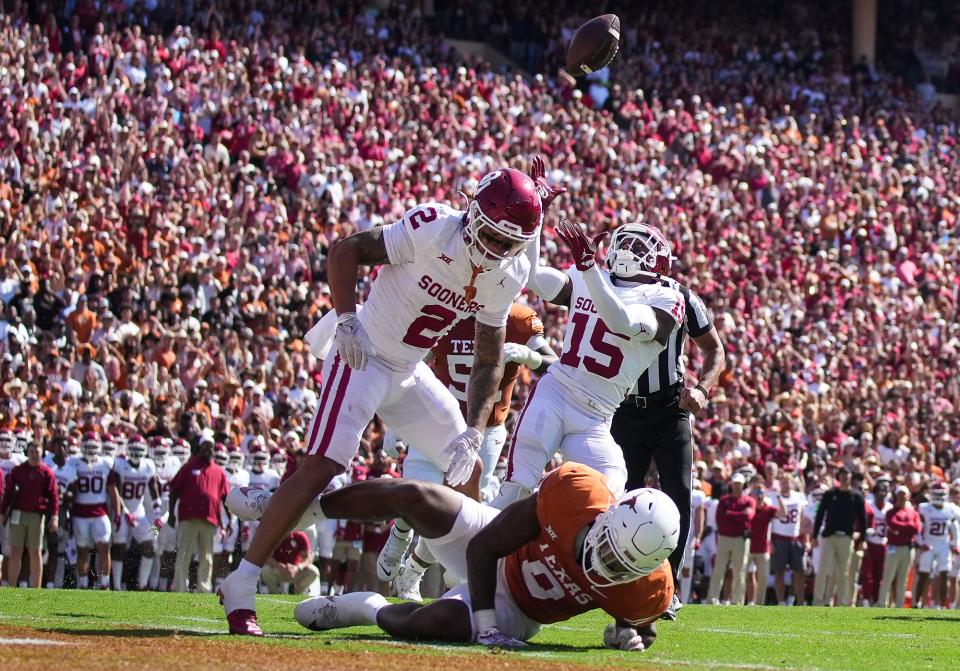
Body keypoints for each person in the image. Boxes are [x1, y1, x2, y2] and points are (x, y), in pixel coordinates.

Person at [218, 165, 556, 635]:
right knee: (323, 464)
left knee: (469, 463)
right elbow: (346, 251)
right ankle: (242, 580)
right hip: (364, 352)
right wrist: (346, 319)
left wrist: (475, 429)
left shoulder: (510, 271)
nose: (498, 249)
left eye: (508, 241)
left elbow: (487, 362)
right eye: (493, 236)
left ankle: (476, 584)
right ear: (473, 213)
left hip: (409, 368)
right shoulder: (433, 227)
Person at [230, 462, 678, 648]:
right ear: (606, 517)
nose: (609, 566)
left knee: (437, 625)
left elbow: (638, 622)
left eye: (623, 567)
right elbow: (485, 547)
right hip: (498, 549)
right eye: (610, 551)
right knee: (414, 495)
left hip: (521, 606)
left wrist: (622, 633)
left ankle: (366, 608)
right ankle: (291, 510)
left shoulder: (648, 588)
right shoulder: (574, 493)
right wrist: (484, 628)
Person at [494, 220, 685, 511]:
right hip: (555, 393)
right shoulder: (590, 276)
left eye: (637, 246)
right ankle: (460, 552)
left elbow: (622, 321)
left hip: (595, 416)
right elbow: (531, 275)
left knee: (611, 491)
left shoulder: (666, 298)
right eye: (624, 242)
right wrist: (535, 219)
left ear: (659, 261)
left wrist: (589, 269)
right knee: (516, 486)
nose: (626, 250)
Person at [388, 302, 558, 600]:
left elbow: (554, 364)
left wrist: (527, 355)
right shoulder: (445, 314)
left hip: (486, 430)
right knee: (424, 489)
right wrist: (394, 422)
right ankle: (400, 532)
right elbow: (407, 366)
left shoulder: (517, 319)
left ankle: (413, 569)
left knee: (457, 509)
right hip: (440, 421)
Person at [606, 224, 725, 617]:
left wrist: (704, 389)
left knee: (678, 495)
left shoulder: (679, 295)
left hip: (668, 405)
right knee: (618, 493)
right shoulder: (603, 285)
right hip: (621, 405)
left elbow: (714, 349)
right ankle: (614, 580)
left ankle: (667, 588)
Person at [168, 437, 230, 593]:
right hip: (188, 518)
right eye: (205, 447)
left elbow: (225, 497)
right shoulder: (188, 467)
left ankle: (203, 588)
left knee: (207, 557)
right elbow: (174, 490)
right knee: (183, 554)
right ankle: (181, 587)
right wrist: (171, 514)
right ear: (200, 449)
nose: (208, 450)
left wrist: (228, 519)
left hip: (210, 519)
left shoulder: (219, 472)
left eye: (211, 448)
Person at [0, 440, 59, 588]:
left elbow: (53, 497)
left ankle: (36, 588)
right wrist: (2, 512)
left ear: (41, 453)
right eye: (31, 452)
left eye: (37, 452)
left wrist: (55, 516)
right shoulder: (18, 470)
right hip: (17, 514)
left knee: (35, 551)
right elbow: (8, 494)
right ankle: (12, 587)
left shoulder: (46, 473)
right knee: (16, 551)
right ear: (27, 453)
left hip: (36, 515)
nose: (34, 455)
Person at [109, 435, 161, 590]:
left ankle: (143, 585)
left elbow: (154, 490)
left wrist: (157, 514)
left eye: (140, 450)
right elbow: (116, 491)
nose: (137, 453)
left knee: (150, 543)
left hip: (139, 513)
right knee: (119, 547)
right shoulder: (119, 464)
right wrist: (124, 512)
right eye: (134, 449)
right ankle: (117, 586)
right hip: (123, 512)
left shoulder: (148, 465)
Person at [70, 433, 121, 589]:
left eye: (94, 447)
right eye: (88, 447)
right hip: (80, 513)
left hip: (100, 512)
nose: (91, 451)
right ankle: (83, 585)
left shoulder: (105, 464)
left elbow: (113, 491)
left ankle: (104, 583)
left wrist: (117, 512)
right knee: (82, 550)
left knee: (104, 548)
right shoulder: (74, 463)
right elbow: (71, 490)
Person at [812, 468, 867, 606]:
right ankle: (818, 600)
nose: (844, 478)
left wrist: (862, 539)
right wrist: (814, 535)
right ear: (839, 477)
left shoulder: (856, 496)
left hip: (846, 537)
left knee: (844, 572)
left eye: (846, 475)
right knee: (823, 569)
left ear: (850, 477)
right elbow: (820, 514)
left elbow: (863, 519)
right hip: (829, 536)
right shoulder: (830, 494)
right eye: (842, 475)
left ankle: (842, 602)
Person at [706, 473, 755, 604]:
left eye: (739, 484)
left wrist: (730, 514)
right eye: (735, 484)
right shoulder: (724, 501)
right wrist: (740, 515)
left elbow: (748, 518)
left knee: (740, 572)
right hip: (724, 538)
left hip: (741, 539)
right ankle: (712, 598)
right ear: (731, 485)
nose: (737, 487)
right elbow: (720, 518)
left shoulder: (749, 501)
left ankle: (738, 600)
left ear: (743, 485)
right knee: (719, 569)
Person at [912, 481, 960, 608]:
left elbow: (955, 528)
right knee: (923, 574)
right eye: (936, 494)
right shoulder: (924, 508)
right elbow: (917, 528)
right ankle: (917, 602)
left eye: (941, 494)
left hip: (943, 545)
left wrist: (955, 544)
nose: (939, 497)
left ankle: (942, 605)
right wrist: (921, 543)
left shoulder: (951, 509)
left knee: (945, 573)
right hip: (929, 543)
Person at [877, 486, 922, 608]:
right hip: (894, 547)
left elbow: (916, 528)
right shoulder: (891, 512)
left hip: (907, 548)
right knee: (888, 577)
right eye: (900, 495)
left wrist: (902, 529)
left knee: (904, 579)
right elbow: (893, 524)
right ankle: (882, 603)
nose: (902, 498)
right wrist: (907, 528)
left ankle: (900, 605)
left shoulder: (913, 513)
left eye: (904, 495)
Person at [771, 473, 808, 606]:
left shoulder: (799, 497)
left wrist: (806, 539)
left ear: (792, 483)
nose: (786, 485)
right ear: (779, 483)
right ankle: (781, 602)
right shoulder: (773, 497)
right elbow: (770, 520)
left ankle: (800, 602)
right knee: (779, 571)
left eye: (788, 482)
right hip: (779, 537)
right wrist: (769, 541)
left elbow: (803, 519)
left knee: (799, 572)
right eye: (783, 482)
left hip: (795, 537)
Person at [745, 476, 780, 606]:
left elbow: (782, 514)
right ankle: (747, 601)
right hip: (748, 546)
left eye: (761, 491)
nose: (758, 493)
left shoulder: (768, 507)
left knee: (763, 577)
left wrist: (779, 497)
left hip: (763, 547)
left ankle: (759, 603)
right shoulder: (748, 503)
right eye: (756, 490)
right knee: (747, 575)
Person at [262, 530, 320, 595]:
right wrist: (278, 565)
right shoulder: (274, 536)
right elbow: (267, 557)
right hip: (278, 570)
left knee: (314, 571)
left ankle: (299, 593)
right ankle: (274, 594)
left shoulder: (300, 535)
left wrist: (298, 567)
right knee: (266, 570)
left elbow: (309, 558)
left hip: (296, 571)